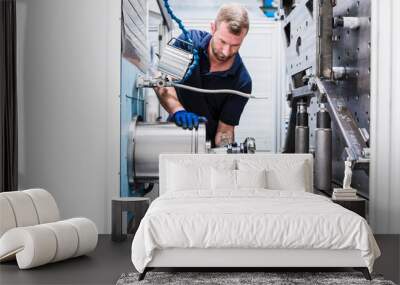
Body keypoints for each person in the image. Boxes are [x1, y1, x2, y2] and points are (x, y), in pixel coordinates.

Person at [154, 3, 252, 147]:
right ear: (213, 28)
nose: (226, 51)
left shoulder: (242, 82)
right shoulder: (188, 42)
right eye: (222, 41)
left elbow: (224, 131)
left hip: (207, 148)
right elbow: (160, 80)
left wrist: (223, 156)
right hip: (174, 139)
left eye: (235, 45)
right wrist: (177, 110)